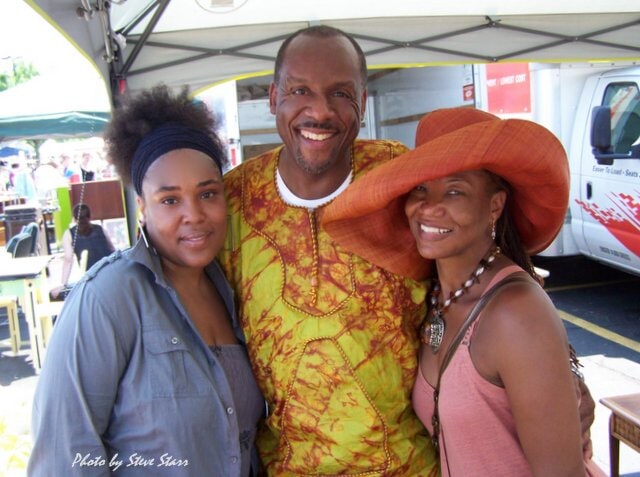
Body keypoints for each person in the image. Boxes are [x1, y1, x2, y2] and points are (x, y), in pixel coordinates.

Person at [323, 107, 605, 476]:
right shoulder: (434, 295)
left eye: (455, 191)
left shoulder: (514, 312)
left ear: (494, 205)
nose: (430, 207)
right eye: (421, 188)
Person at [219, 25, 437, 475]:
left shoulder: (399, 178)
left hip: (406, 465)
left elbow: (487, 267)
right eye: (300, 90)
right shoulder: (233, 201)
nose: (320, 111)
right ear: (274, 96)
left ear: (363, 98)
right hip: (288, 466)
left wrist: (562, 371)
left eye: (340, 93)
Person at [29, 84, 264, 476]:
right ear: (142, 207)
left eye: (207, 194)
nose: (194, 215)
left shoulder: (231, 288)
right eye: (169, 200)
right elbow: (63, 456)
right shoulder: (108, 297)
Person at [50, 203, 116, 300]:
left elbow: (68, 259)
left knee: (52, 294)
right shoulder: (100, 229)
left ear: (74, 218)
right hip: (111, 276)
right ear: (90, 217)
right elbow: (112, 250)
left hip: (92, 280)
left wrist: (63, 285)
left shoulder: (69, 234)